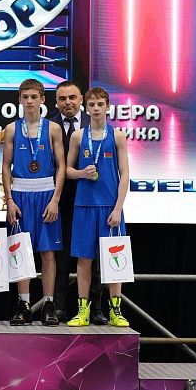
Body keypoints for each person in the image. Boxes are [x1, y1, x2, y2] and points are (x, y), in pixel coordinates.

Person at [2, 79, 65, 327]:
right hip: (20, 195)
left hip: (46, 194)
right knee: (20, 251)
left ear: (42, 100)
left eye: (34, 97)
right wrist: (9, 200)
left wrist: (55, 199)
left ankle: (48, 304)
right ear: (20, 99)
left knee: (47, 253)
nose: (29, 101)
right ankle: (24, 304)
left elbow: (61, 167)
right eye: (25, 97)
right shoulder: (11, 129)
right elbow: (5, 166)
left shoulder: (53, 129)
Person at [66, 87, 130, 327]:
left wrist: (118, 208)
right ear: (86, 107)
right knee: (84, 260)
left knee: (115, 260)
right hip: (84, 206)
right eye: (91, 104)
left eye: (100, 104)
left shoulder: (118, 136)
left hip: (109, 208)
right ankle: (82, 311)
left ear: (107, 107)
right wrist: (82, 173)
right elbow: (67, 170)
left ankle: (116, 311)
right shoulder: (77, 136)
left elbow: (125, 174)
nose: (95, 109)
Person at [50, 81, 108, 325]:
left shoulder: (95, 123)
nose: (68, 103)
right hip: (60, 200)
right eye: (62, 98)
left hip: (92, 198)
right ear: (56, 102)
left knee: (93, 258)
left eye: (72, 97)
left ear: (81, 100)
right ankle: (59, 307)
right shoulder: (49, 125)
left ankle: (96, 309)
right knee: (61, 257)